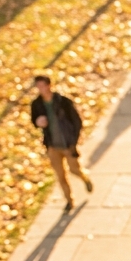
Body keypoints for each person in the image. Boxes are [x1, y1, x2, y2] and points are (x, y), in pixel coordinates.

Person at [29, 73, 92, 212]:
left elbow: (76, 121)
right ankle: (69, 201)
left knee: (74, 169)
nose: (41, 89)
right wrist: (38, 122)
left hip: (67, 144)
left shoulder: (63, 101)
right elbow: (34, 120)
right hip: (52, 145)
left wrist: (74, 141)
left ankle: (85, 178)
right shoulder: (37, 104)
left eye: (42, 86)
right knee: (60, 175)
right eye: (38, 86)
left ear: (49, 85)